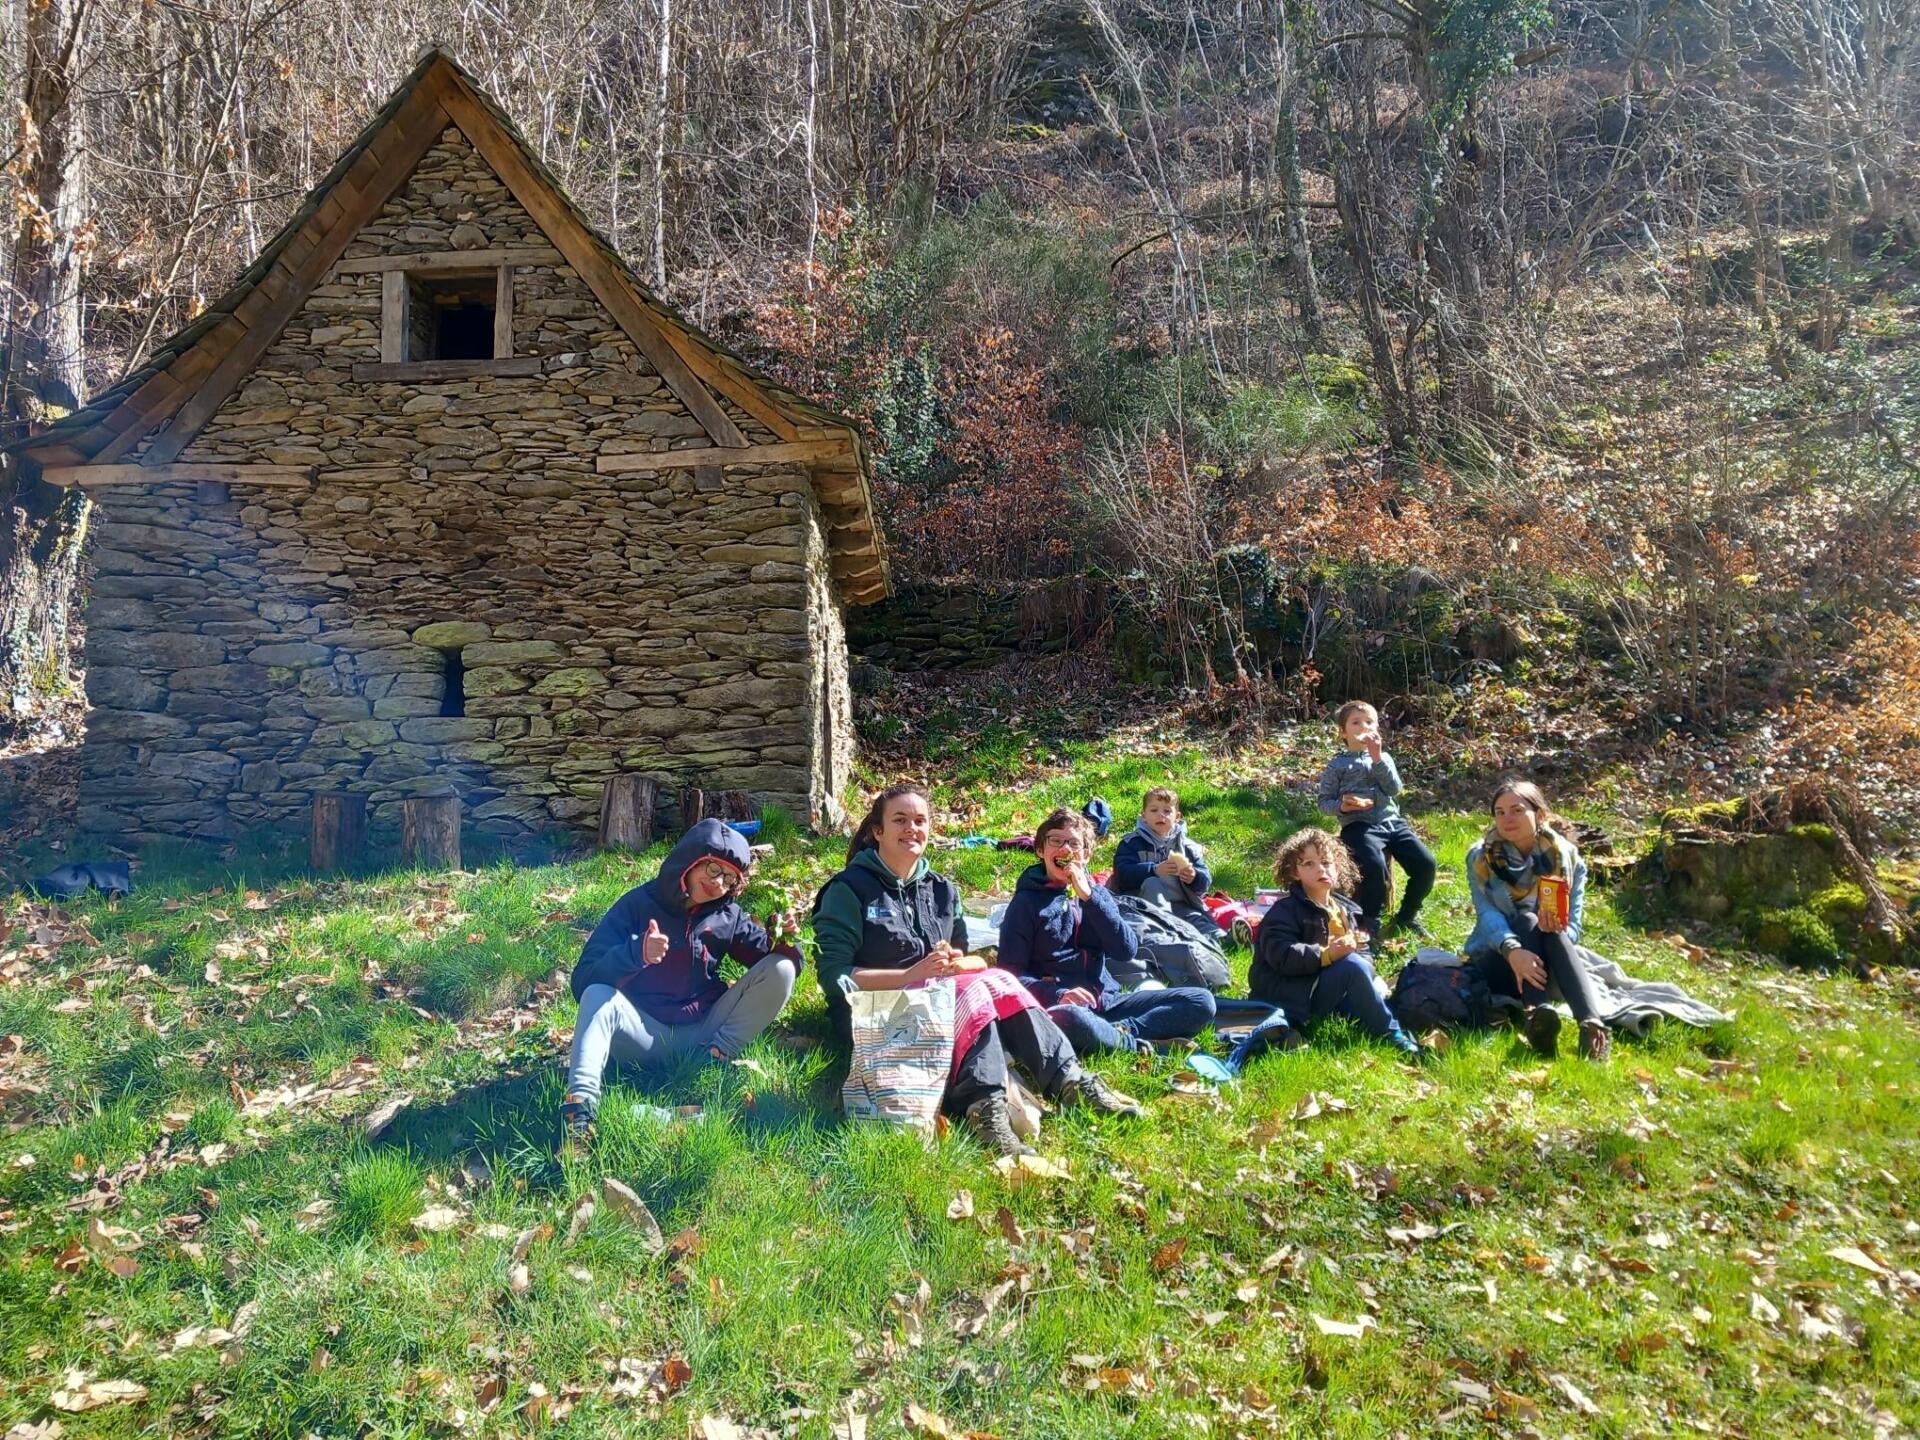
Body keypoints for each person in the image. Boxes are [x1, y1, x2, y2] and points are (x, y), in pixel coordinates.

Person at [813, 784, 1144, 1158]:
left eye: (920, 821)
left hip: (942, 1003)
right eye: (900, 820)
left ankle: (1069, 1083)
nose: (912, 829)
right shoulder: (849, 890)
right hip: (876, 1011)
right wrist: (912, 976)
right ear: (878, 831)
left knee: (992, 981)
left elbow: (970, 961)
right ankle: (987, 1111)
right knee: (974, 990)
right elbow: (835, 977)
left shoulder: (941, 890)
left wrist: (955, 964)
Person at [561, 819, 801, 1145]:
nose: (719, 884)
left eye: (729, 877)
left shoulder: (727, 914)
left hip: (704, 1033)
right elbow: (583, 981)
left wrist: (785, 940)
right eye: (713, 869)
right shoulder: (636, 904)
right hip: (643, 1035)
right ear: (689, 860)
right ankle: (581, 1112)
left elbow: (771, 965)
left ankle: (716, 1057)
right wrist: (637, 954)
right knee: (597, 994)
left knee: (782, 968)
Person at [996, 807, 1217, 1058]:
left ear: (1086, 854)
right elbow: (1008, 977)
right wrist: (1059, 994)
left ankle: (1122, 1033)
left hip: (1106, 1002)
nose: (1065, 849)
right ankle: (1134, 1045)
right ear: (1040, 850)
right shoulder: (1025, 904)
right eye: (1055, 841)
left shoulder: (1097, 895)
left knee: (1202, 1001)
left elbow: (1126, 949)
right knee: (1068, 1018)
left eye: (1074, 844)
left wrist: (1089, 898)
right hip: (1062, 1007)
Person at [1465, 779, 1610, 1062]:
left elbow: (1575, 925)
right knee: (1527, 920)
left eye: (1517, 810)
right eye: (1500, 812)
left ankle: (1589, 1026)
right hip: (1498, 961)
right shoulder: (1481, 858)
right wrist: (1512, 950)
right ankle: (1540, 1012)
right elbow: (1487, 914)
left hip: (1550, 965)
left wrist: (1559, 930)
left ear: (1540, 815)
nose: (1507, 819)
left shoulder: (1568, 858)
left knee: (1546, 927)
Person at [1247, 828, 1423, 1058]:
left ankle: (1396, 1016)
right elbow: (1282, 955)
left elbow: (1362, 950)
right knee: (1352, 967)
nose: (1320, 868)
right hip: (1291, 993)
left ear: (1338, 867)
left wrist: (1369, 971)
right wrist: (1326, 955)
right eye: (1308, 864)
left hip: (1328, 985)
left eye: (1326, 862)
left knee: (1368, 979)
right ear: (1294, 872)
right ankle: (1391, 1033)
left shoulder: (1345, 909)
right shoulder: (1285, 911)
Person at [1317, 700, 1438, 940]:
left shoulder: (1383, 757)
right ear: (1343, 731)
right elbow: (1323, 804)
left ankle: (1407, 915)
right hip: (1357, 825)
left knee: (1426, 864)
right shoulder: (1337, 765)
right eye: (1356, 722)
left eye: (1370, 722)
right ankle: (1369, 920)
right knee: (1374, 865)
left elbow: (1393, 789)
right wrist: (1342, 805)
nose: (1364, 726)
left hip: (1391, 822)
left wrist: (1377, 759)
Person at [1110, 787, 1213, 924]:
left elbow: (1205, 882)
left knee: (1203, 926)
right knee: (1153, 883)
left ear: (1177, 817)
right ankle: (1167, 927)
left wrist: (1194, 877)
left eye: (1167, 811)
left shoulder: (1188, 847)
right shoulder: (1131, 843)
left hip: (1182, 904)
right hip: (1142, 906)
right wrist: (1153, 870)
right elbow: (1122, 875)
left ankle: (1228, 939)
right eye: (1154, 810)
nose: (1161, 815)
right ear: (1143, 815)